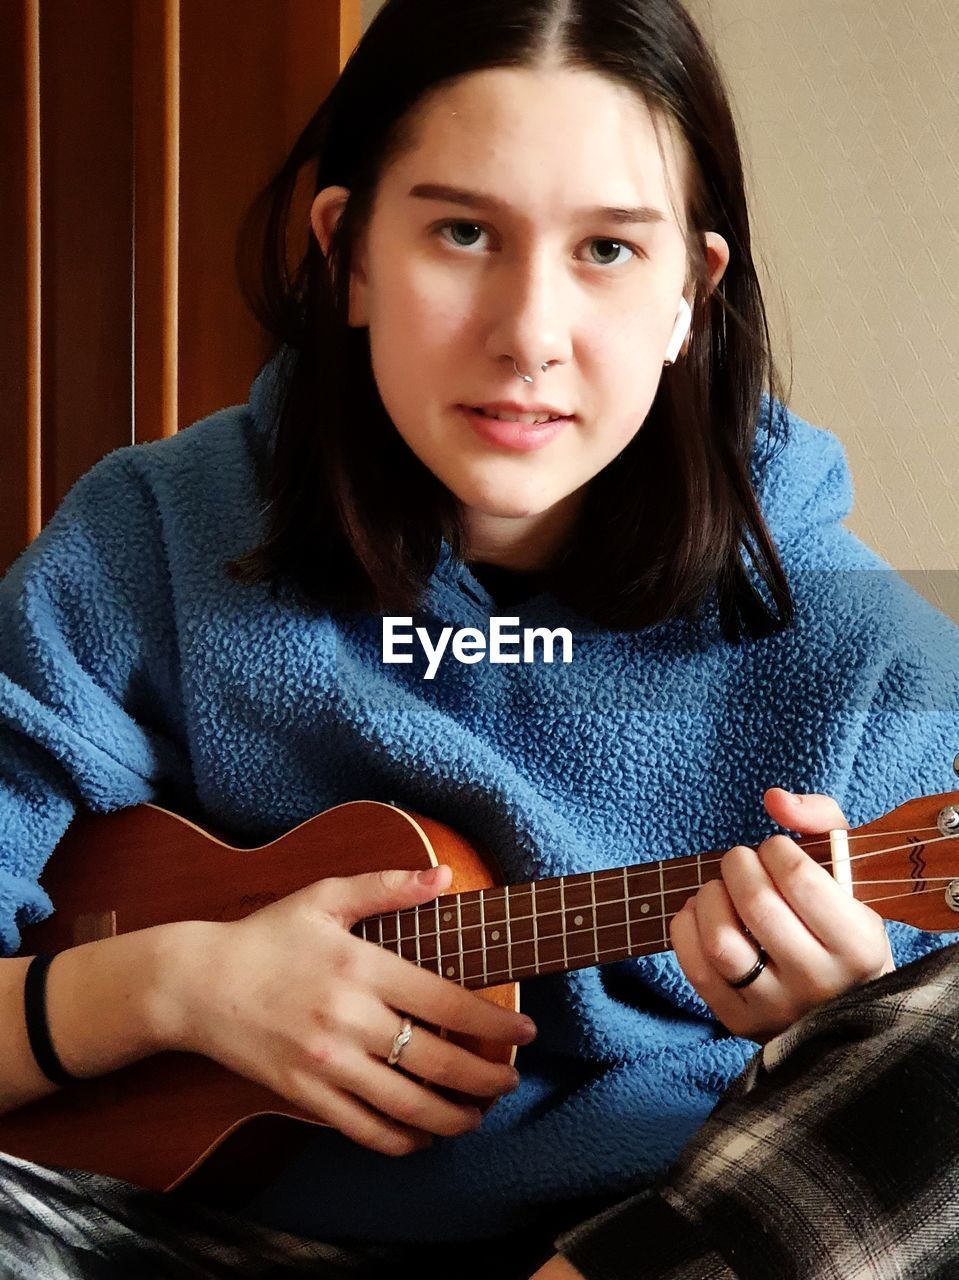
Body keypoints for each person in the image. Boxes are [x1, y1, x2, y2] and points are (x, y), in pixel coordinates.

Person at [0, 0, 956, 1275]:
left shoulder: (861, 651)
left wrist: (828, 1031)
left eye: (608, 251)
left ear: (690, 294)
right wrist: (174, 988)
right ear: (343, 250)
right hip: (190, 1242)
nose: (527, 335)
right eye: (461, 232)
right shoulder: (155, 532)